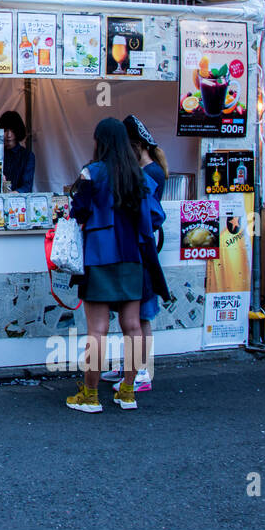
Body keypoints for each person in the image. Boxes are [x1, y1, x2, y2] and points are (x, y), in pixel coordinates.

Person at [67, 118, 158, 413]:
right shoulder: (139, 176)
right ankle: (128, 393)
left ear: (100, 142)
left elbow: (77, 210)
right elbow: (154, 218)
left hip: (99, 255)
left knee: (98, 330)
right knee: (133, 326)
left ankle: (90, 396)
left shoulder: (91, 173)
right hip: (133, 257)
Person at [103, 114, 168, 391]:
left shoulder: (149, 174)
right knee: (132, 315)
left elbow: (152, 216)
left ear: (137, 145)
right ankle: (131, 365)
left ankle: (142, 371)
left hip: (141, 252)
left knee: (141, 314)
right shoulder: (147, 171)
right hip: (137, 250)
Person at [0, 110, 35, 193]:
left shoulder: (27, 156)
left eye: (13, 131)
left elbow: (27, 186)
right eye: (5, 130)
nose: (9, 135)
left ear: (18, 131)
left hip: (18, 202)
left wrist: (13, 194)